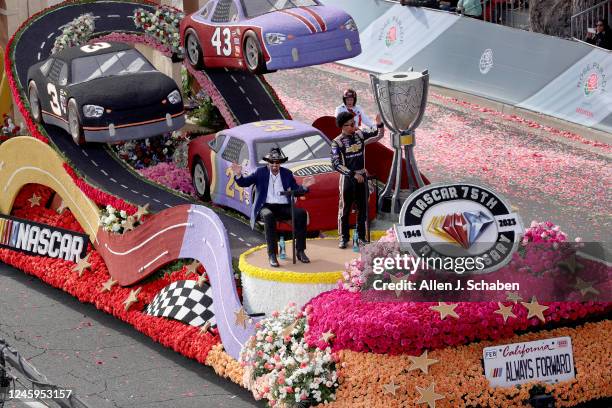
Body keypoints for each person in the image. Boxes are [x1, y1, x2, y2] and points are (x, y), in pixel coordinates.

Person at [232, 148, 315, 267]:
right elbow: (244, 183)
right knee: (268, 216)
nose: (274, 165)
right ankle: (272, 255)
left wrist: (305, 187)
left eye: (277, 162)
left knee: (301, 213)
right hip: (266, 207)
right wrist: (238, 174)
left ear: (280, 163)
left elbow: (296, 191)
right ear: (268, 162)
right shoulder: (260, 172)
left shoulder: (287, 173)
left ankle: (300, 251)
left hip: (283, 206)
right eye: (272, 162)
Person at [331, 111, 384, 249]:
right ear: (343, 126)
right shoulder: (336, 142)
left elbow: (378, 135)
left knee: (363, 208)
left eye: (354, 123)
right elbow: (336, 164)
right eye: (351, 124)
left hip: (362, 177)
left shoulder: (360, 135)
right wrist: (353, 174)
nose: (354, 126)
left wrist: (379, 124)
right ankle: (343, 238)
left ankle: (361, 237)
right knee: (345, 209)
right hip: (348, 179)